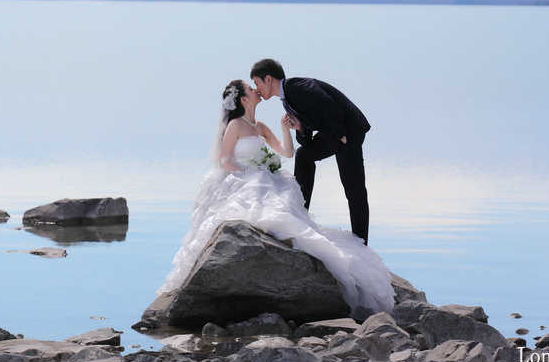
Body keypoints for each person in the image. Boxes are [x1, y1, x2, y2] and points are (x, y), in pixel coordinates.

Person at [157, 79, 393, 318]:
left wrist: (285, 129)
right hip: (241, 177)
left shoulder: (260, 126)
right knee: (260, 204)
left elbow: (287, 152)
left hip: (261, 175)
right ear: (244, 99)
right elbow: (224, 160)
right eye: (251, 88)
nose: (255, 89)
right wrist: (247, 174)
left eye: (255, 84)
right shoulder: (235, 125)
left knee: (282, 203)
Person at [250, 58, 371, 245]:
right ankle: (300, 213)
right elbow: (306, 140)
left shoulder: (296, 86)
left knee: (354, 189)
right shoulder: (287, 99)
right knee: (304, 155)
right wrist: (299, 127)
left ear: (268, 79)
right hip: (332, 133)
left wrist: (340, 133)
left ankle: (362, 244)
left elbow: (326, 102)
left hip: (348, 131)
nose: (256, 88)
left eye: (256, 83)